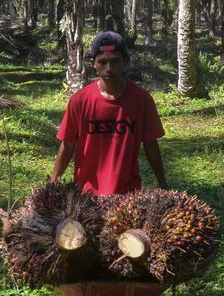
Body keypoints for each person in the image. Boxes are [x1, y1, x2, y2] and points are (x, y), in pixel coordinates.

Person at [50, 30, 167, 194]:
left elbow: (151, 144)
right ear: (93, 63)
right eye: (102, 62)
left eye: (115, 61)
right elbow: (68, 144)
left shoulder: (141, 100)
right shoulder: (80, 100)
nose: (109, 68)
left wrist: (163, 185)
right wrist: (54, 180)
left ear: (125, 61)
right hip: (86, 194)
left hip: (127, 194)